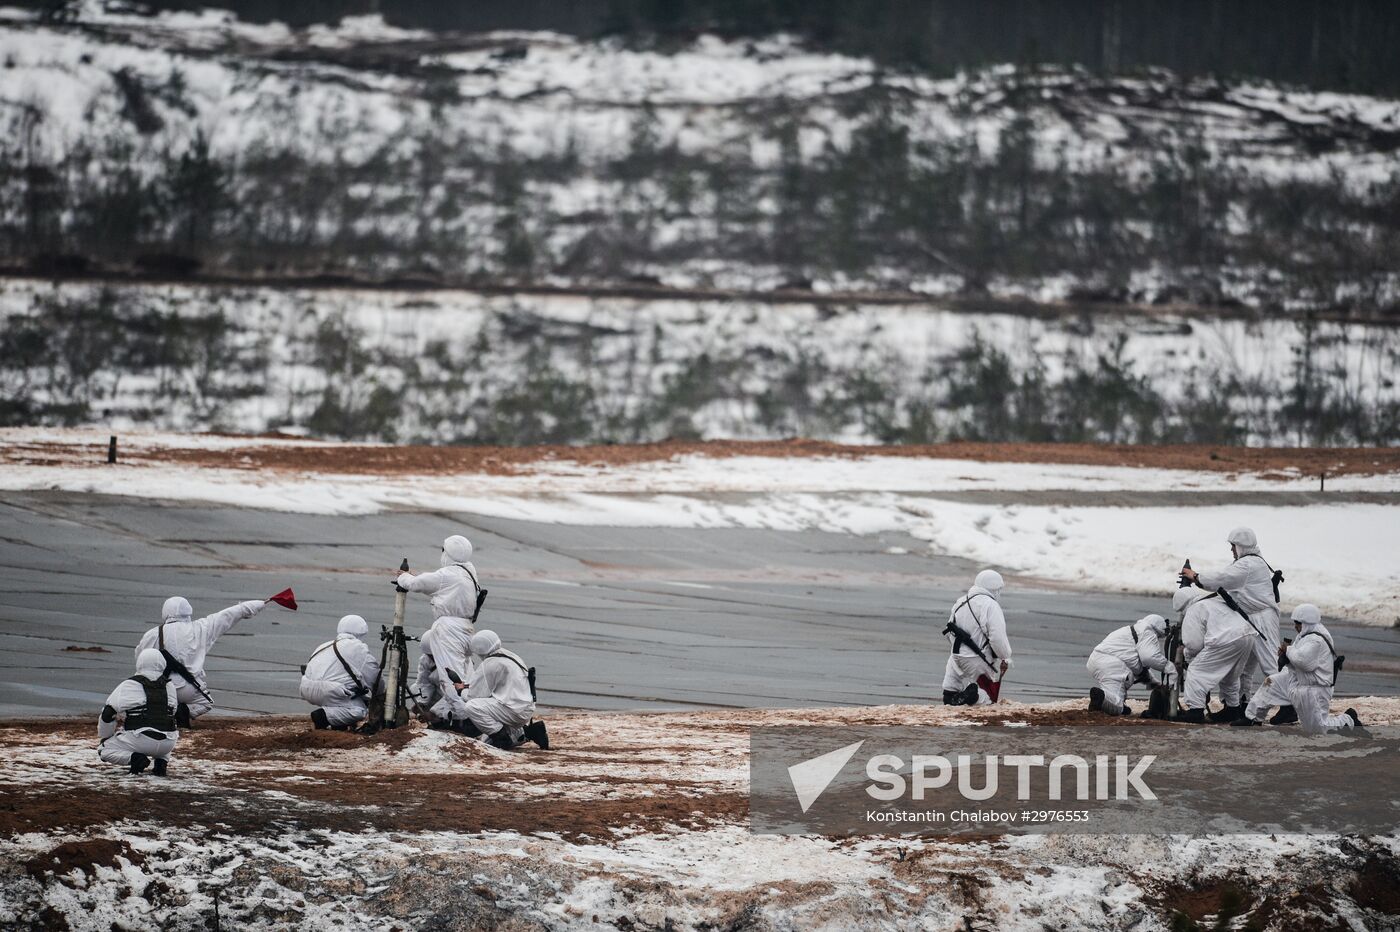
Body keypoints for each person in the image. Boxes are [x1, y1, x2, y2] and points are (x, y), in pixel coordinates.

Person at [1179, 527, 1282, 704]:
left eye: (1233, 546)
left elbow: (1222, 579)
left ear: (1241, 546)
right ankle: (1243, 703)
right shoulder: (1250, 562)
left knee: (1270, 664)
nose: (1232, 550)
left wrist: (1195, 576)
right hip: (1250, 617)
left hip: (1262, 618)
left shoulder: (1248, 564)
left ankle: (1287, 706)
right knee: (1245, 668)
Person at [135, 595, 268, 726]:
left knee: (145, 700)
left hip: (158, 689)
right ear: (188, 612)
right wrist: (261, 603)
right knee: (206, 702)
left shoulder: (151, 634)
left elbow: (140, 660)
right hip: (188, 689)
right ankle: (177, 713)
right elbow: (231, 614)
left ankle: (157, 713)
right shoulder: (201, 627)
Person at [1234, 604, 1361, 734]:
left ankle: (1348, 719)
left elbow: (1303, 662)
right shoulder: (1304, 635)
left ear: (1307, 623)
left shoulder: (1316, 640)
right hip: (1298, 681)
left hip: (1314, 689)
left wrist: (1287, 650)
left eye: (1298, 623)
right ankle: (1252, 717)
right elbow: (1296, 659)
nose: (1295, 626)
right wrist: (1286, 658)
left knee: (1317, 729)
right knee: (1271, 683)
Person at [398, 535, 482, 724]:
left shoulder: (448, 575)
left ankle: (463, 717)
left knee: (449, 677)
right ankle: (453, 712)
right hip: (467, 628)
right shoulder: (469, 573)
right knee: (462, 676)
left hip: (449, 630)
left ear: (449, 553)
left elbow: (416, 584)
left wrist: (403, 577)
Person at [447, 629, 548, 750]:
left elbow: (472, 697)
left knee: (472, 706)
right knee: (486, 742)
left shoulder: (489, 664)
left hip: (513, 711)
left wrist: (460, 690)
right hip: (525, 709)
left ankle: (501, 738)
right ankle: (531, 731)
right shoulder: (510, 655)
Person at [1174, 587, 1254, 723]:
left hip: (1227, 640)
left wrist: (1185, 653)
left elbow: (1193, 645)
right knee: (1231, 675)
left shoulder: (1194, 609)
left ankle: (1196, 711)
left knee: (1196, 671)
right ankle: (1232, 710)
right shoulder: (1215, 601)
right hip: (1248, 636)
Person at [99, 649, 178, 775]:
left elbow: (108, 714)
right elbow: (173, 712)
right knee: (164, 725)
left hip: (141, 740)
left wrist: (105, 736)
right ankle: (161, 763)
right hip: (167, 744)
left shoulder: (130, 684)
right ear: (163, 664)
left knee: (104, 749)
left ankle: (136, 759)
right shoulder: (170, 686)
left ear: (140, 663)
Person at [941, 570, 1012, 706]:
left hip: (955, 656)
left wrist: (960, 651)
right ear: (995, 588)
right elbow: (997, 637)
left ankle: (951, 693)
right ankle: (974, 695)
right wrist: (1004, 656)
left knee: (949, 698)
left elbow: (950, 631)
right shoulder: (991, 605)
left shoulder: (960, 602)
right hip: (976, 659)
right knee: (989, 701)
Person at [300, 615, 382, 730]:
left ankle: (337, 725)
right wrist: (381, 696)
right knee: (358, 710)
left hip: (306, 687)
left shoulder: (324, 645)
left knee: (346, 696)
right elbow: (374, 677)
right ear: (362, 633)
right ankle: (322, 717)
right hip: (328, 690)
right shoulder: (356, 647)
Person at [1086, 613, 1171, 716]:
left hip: (1095, 660)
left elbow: (1135, 664)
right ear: (1158, 629)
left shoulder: (1129, 631)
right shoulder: (1148, 633)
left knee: (1115, 690)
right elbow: (1148, 658)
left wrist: (1152, 681)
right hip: (1112, 665)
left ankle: (1104, 698)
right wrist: (1169, 668)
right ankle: (1102, 698)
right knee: (1116, 704)